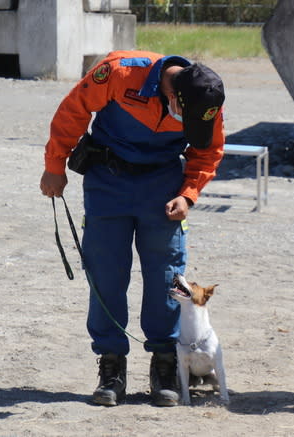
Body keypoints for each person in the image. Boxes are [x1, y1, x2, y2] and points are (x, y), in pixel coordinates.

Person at [40, 51, 225, 407]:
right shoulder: (119, 73)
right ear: (172, 96)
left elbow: (209, 149)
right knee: (106, 273)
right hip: (108, 181)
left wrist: (188, 195)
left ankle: (165, 364)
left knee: (167, 277)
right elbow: (72, 112)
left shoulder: (205, 97)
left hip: (164, 187)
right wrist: (54, 165)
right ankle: (111, 365)